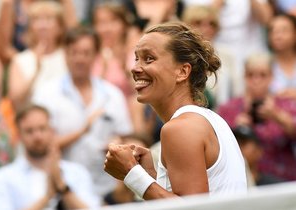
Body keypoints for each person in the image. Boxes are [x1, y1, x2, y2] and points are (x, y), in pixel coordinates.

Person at [104, 22, 247, 200]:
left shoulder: (180, 128)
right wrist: (151, 175)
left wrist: (131, 173)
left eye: (149, 58)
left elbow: (191, 209)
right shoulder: (210, 120)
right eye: (136, 58)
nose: (135, 68)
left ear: (182, 71)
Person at [32, 26, 133, 197]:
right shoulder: (46, 94)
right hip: (62, 190)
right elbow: (38, 146)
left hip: (107, 189)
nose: (80, 59)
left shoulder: (112, 94)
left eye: (86, 53)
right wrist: (82, 131)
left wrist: (117, 144)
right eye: (74, 52)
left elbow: (127, 137)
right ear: (65, 54)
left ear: (96, 55)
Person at [0, 104, 100, 210]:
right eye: (29, 131)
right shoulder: (3, 178)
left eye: (42, 128)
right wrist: (47, 197)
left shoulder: (77, 172)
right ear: (18, 136)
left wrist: (62, 186)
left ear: (52, 131)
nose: (37, 136)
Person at [218, 52, 296, 181]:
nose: (256, 81)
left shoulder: (285, 104)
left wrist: (277, 116)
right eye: (251, 75)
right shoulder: (229, 108)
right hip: (244, 179)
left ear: (271, 77)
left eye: (262, 75)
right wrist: (235, 130)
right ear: (244, 77)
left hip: (282, 179)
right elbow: (218, 146)